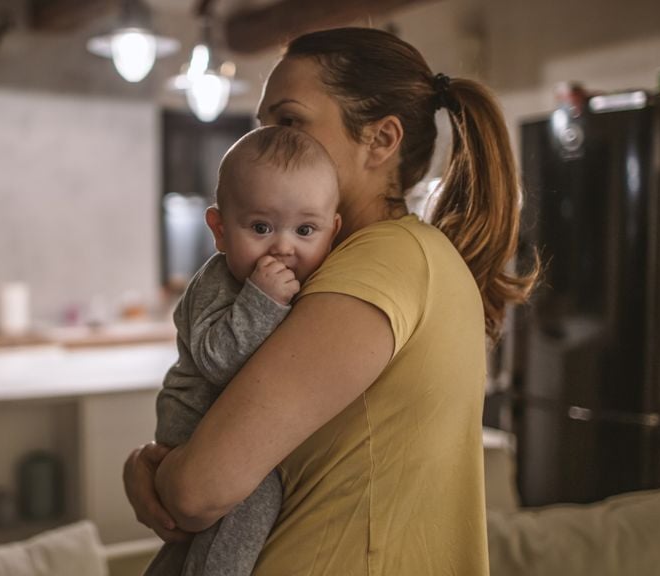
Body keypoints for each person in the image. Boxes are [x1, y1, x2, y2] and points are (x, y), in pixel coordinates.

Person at [125, 27, 539, 575]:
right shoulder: (375, 259)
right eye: (264, 126)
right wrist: (147, 462)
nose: (270, 142)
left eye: (290, 121)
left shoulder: (381, 264)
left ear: (381, 140)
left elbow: (199, 490)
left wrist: (153, 471)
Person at [146, 125, 342, 576]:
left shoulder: (315, 283)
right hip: (195, 424)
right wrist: (262, 300)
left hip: (223, 424)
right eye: (260, 227)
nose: (284, 246)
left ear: (333, 232)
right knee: (256, 494)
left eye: (305, 229)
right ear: (218, 230)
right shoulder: (219, 283)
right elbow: (217, 361)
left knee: (190, 547)